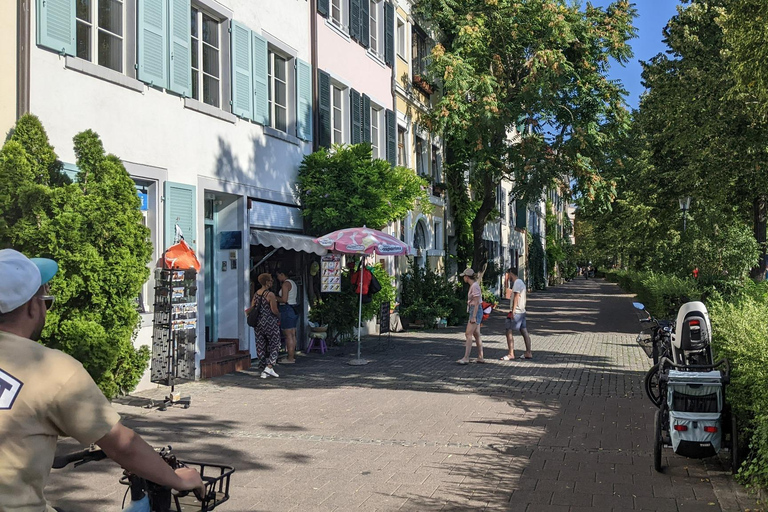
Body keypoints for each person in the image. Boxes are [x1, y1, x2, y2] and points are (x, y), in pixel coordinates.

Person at [0, 249, 203, 512]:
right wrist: (177, 478)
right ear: (31, 307)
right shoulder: (52, 370)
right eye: (46, 301)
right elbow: (122, 446)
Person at [249, 273, 281, 378]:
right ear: (267, 282)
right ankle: (269, 366)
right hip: (270, 322)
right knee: (275, 343)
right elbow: (274, 310)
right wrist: (279, 315)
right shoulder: (270, 294)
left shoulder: (256, 294)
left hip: (258, 322)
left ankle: (263, 367)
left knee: (260, 344)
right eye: (271, 280)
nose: (272, 282)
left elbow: (252, 306)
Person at [501, 267, 533, 360]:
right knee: (524, 330)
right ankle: (528, 352)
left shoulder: (517, 283)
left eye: (508, 275)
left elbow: (516, 296)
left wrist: (513, 310)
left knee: (508, 330)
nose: (508, 277)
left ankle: (511, 353)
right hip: (522, 311)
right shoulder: (521, 282)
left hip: (517, 311)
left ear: (511, 273)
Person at [456, 268, 484, 364]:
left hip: (475, 311)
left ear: (467, 277)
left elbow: (476, 302)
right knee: (476, 334)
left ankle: (466, 357)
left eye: (464, 276)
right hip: (475, 310)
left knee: (468, 334)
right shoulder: (474, 285)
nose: (463, 278)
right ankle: (480, 357)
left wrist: (473, 316)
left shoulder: (474, 286)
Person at [276, 270, 299, 363]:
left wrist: (274, 297)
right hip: (293, 308)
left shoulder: (285, 284)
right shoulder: (292, 283)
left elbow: (284, 299)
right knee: (292, 334)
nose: (277, 278)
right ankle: (292, 355)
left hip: (286, 308)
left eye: (278, 276)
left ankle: (290, 358)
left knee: (288, 335)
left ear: (282, 274)